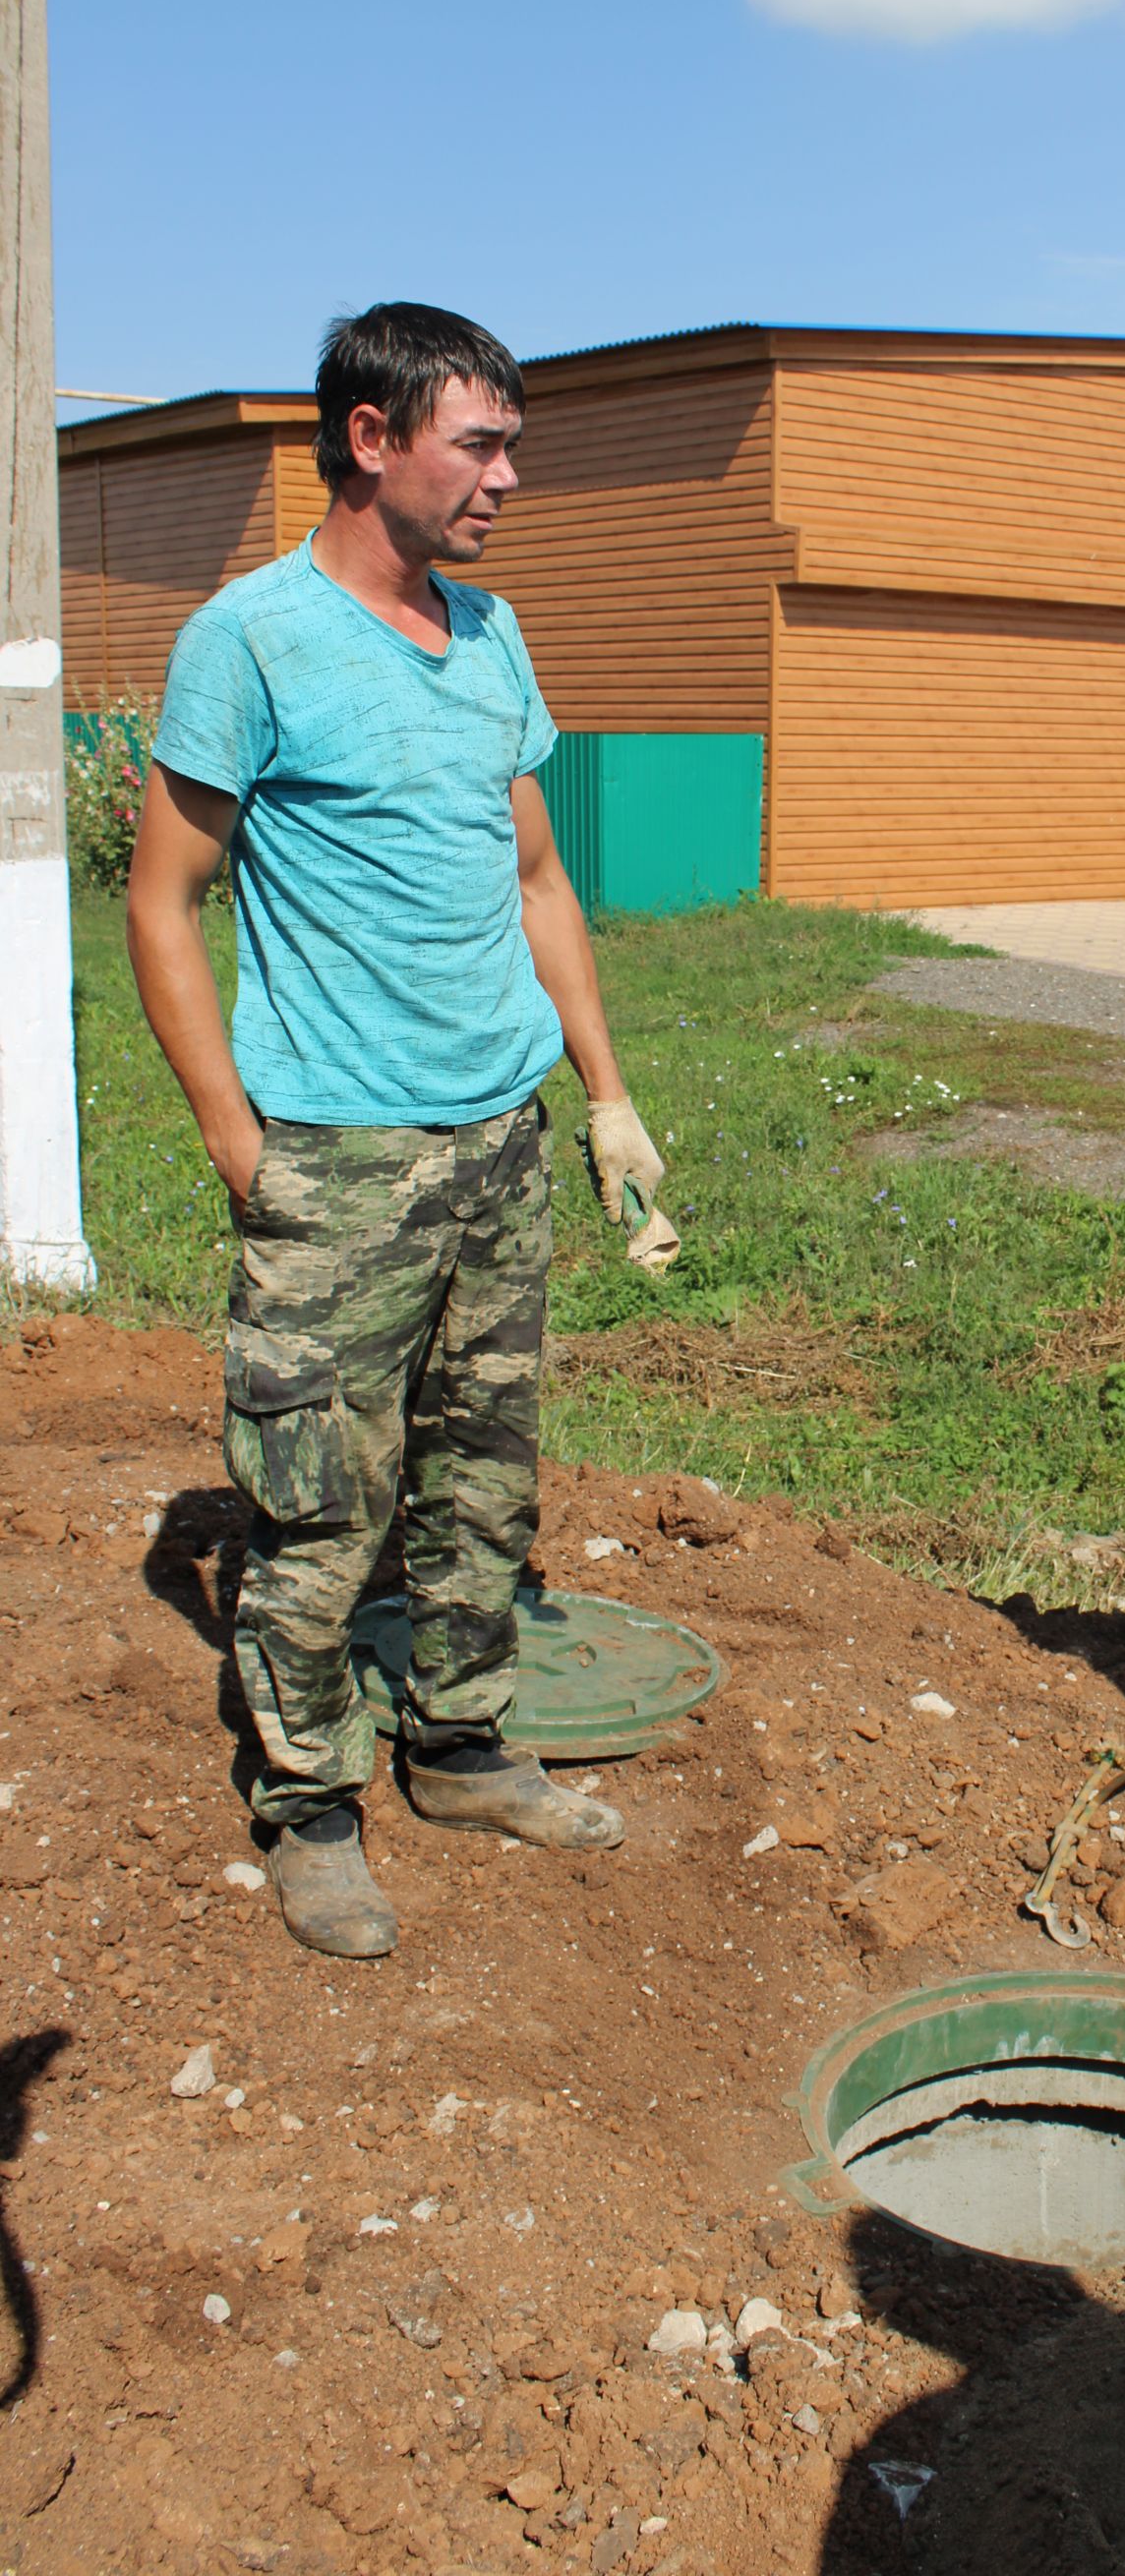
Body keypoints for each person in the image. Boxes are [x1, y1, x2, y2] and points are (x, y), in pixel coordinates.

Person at [126, 301, 672, 1961]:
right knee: (312, 1504)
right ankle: (308, 1808)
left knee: (483, 1475)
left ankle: (460, 1744)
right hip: (340, 1158)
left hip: (498, 1143)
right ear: (372, 440)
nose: (507, 476)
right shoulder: (252, 638)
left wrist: (605, 1091)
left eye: (510, 444)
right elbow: (163, 903)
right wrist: (245, 1147)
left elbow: (535, 878)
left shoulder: (491, 636)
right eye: (480, 443)